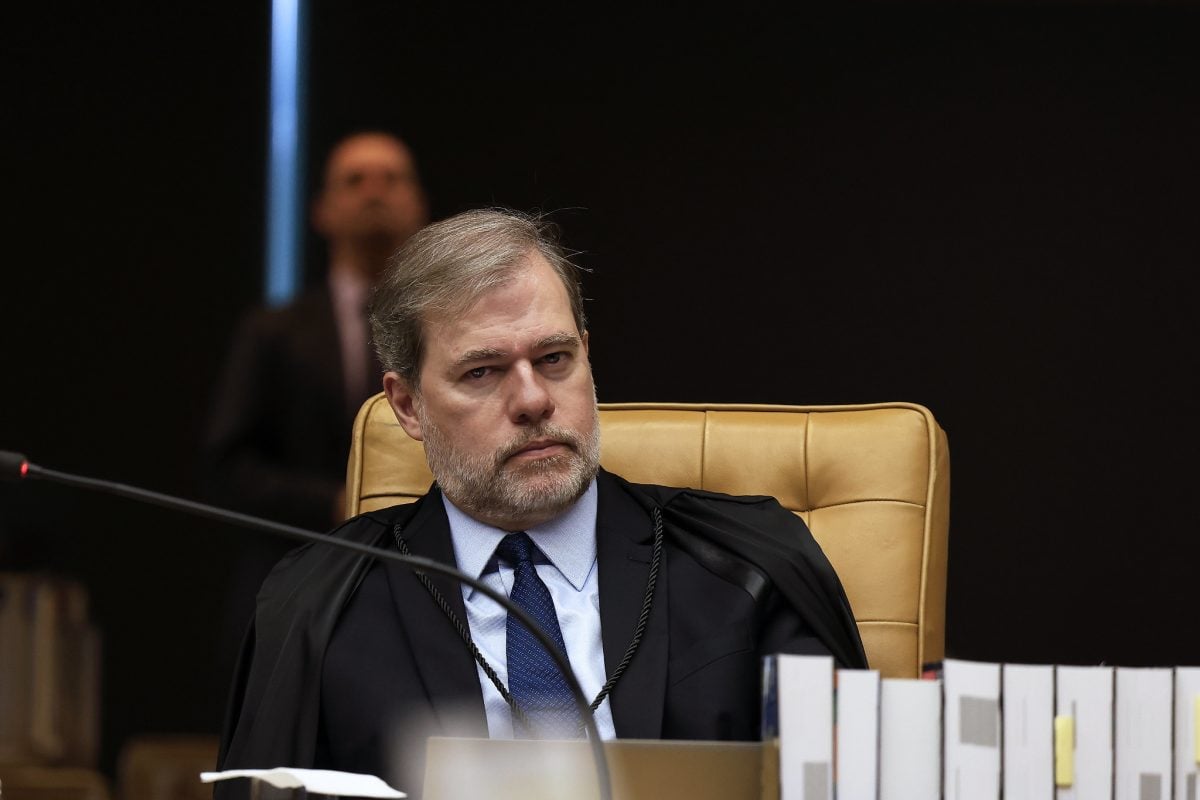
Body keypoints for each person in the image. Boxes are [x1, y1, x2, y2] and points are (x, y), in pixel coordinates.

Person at [215, 209, 866, 797]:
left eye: (554, 358)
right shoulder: (323, 607)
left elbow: (841, 786)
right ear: (408, 406)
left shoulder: (744, 569)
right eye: (482, 371)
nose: (532, 400)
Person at [202, 130, 429, 531]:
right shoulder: (272, 330)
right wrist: (339, 502)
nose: (374, 192)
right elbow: (229, 466)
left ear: (419, 205)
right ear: (322, 210)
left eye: (392, 179)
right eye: (355, 180)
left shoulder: (452, 325)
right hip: (300, 551)